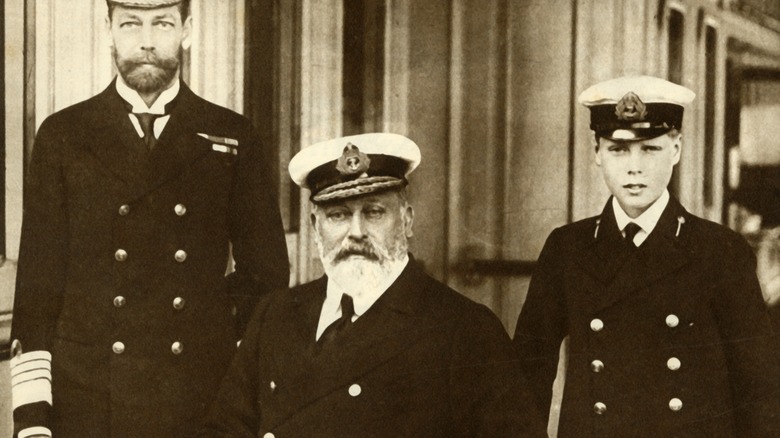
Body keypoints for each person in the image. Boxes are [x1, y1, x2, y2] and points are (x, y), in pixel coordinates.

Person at [9, 1, 289, 437]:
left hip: (197, 400)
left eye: (162, 23)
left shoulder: (233, 136)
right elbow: (36, 291)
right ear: (109, 30)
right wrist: (32, 422)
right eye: (130, 24)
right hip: (87, 405)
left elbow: (266, 276)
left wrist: (232, 373)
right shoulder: (63, 136)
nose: (145, 41)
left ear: (187, 30)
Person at [199, 133, 546, 437]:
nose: (356, 232)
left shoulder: (465, 330)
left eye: (374, 212)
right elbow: (224, 430)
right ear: (315, 226)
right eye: (338, 215)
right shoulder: (275, 314)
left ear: (406, 220)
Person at [514, 75, 780, 436]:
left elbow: (760, 391)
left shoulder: (721, 252)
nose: (633, 167)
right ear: (596, 152)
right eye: (618, 149)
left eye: (650, 149)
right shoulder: (567, 248)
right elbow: (524, 378)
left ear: (676, 149)